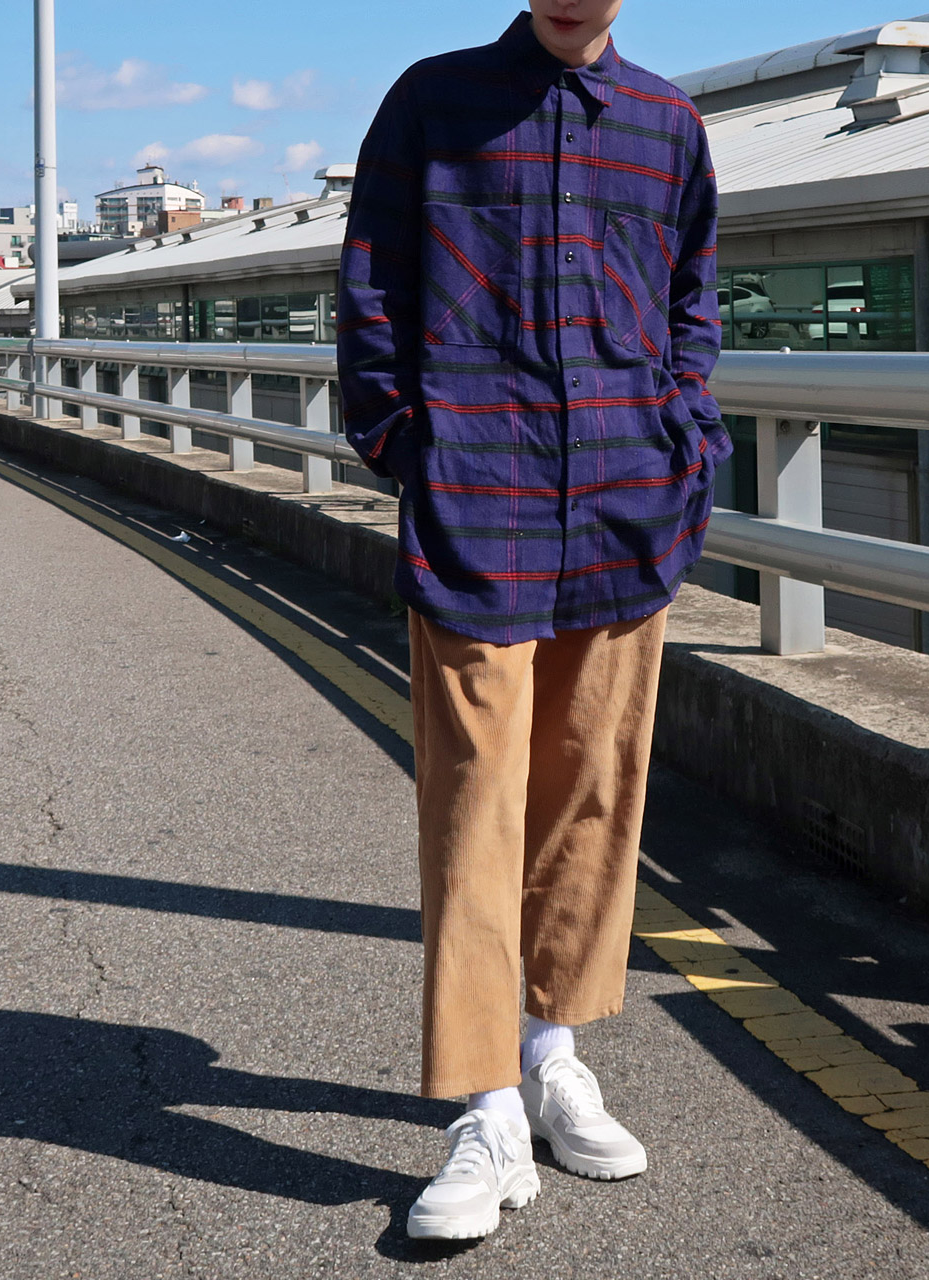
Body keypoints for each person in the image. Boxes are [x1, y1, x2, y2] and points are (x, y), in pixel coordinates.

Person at [336, 0, 729, 1241]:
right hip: (476, 499)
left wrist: (684, 439)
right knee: (474, 801)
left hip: (623, 501)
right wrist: (404, 440)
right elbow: (370, 280)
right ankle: (486, 1103)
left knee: (592, 788)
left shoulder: (664, 123)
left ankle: (552, 1052)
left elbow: (692, 296)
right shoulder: (434, 101)